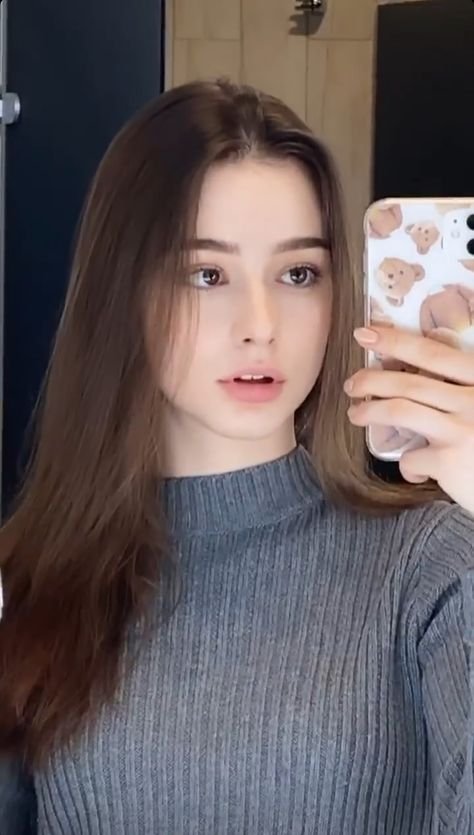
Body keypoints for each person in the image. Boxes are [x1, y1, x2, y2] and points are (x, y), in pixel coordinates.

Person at [0, 78, 473, 835]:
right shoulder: (27, 581)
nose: (260, 323)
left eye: (298, 273)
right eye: (207, 274)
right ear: (123, 293)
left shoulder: (431, 565)